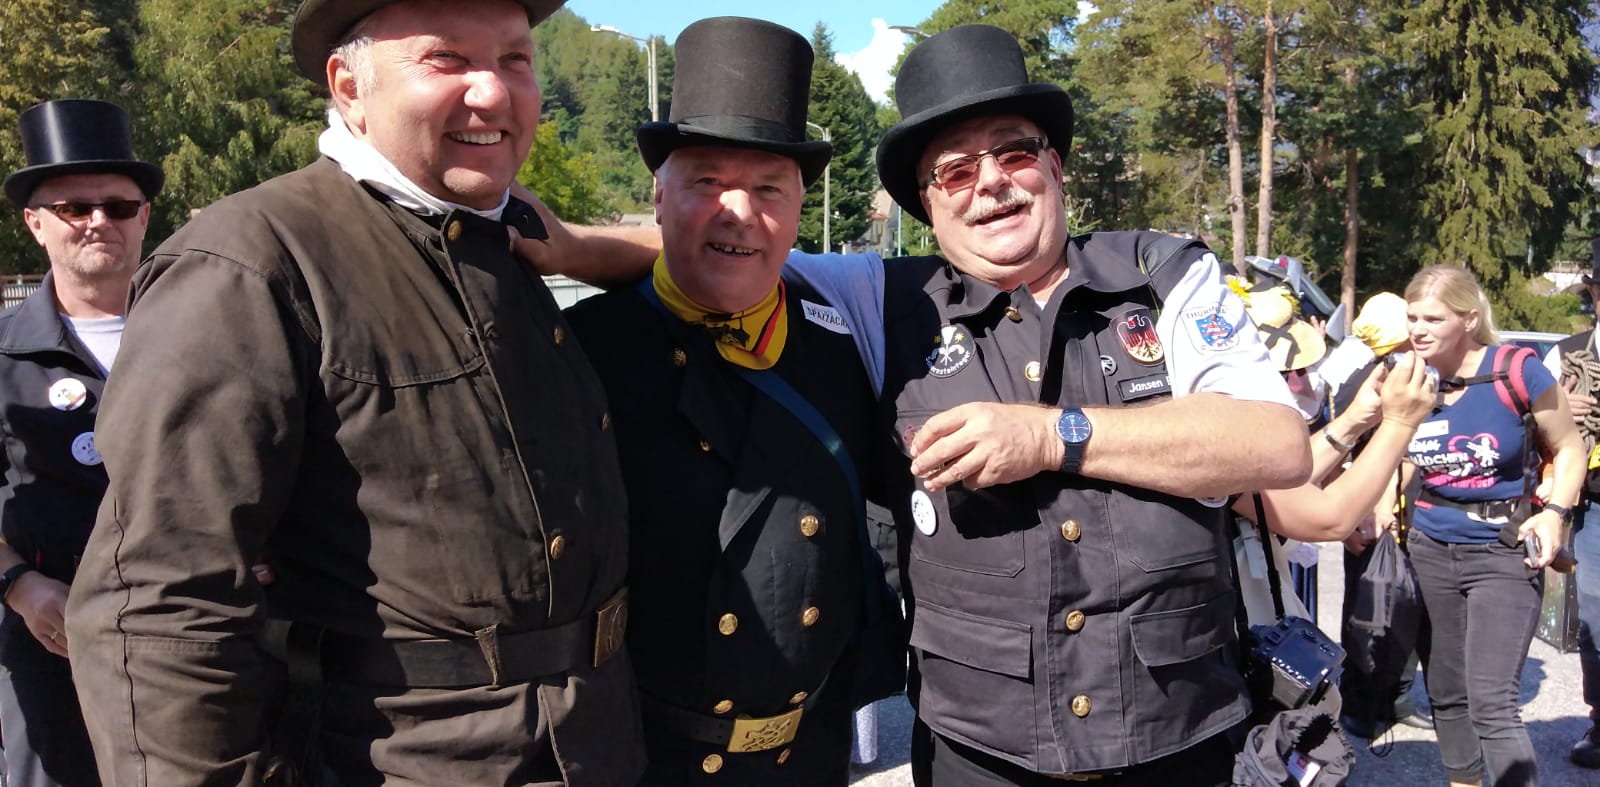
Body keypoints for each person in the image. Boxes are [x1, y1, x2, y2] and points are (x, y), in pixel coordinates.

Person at [63, 1, 642, 785]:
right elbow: (156, 607)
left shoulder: (508, 246)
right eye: (447, 59)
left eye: (515, 59)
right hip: (394, 760)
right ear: (348, 86)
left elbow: (723, 268)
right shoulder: (250, 264)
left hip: (592, 746)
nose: (493, 92)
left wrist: (580, 248)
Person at [561, 18, 900, 784]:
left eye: (768, 187)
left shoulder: (851, 349)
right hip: (637, 760)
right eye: (707, 181)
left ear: (798, 208)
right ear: (659, 196)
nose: (737, 210)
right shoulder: (580, 351)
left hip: (806, 760)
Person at [0, 98, 160, 787]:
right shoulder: (4, 357)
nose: (99, 220)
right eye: (73, 207)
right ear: (35, 223)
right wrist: (18, 585)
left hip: (199, 648)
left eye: (118, 206)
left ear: (144, 218)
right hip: (53, 651)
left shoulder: (208, 337)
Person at [1401, 264, 1584, 787]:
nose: (1418, 329)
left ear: (1468, 319)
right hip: (1429, 546)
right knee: (1445, 692)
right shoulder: (1408, 378)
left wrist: (1555, 513)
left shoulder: (1517, 370)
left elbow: (1569, 448)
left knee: (1491, 703)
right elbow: (1404, 455)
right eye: (1412, 317)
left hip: (1503, 549)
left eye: (1432, 318)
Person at [1544, 241, 1600, 769]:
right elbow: (1525, 426)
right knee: (1597, 619)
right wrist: (1559, 408)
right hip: (1595, 506)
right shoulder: (1564, 354)